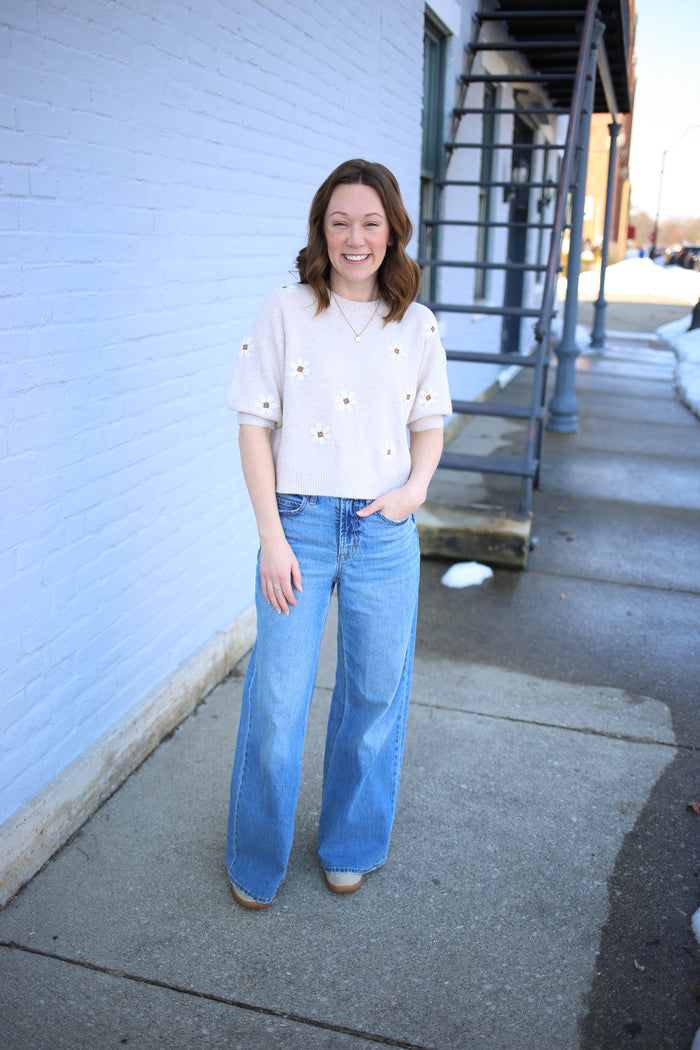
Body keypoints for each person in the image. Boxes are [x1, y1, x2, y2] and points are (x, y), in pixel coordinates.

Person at [225, 158, 451, 908]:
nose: (355, 237)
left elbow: (429, 422)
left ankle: (351, 842)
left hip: (383, 531)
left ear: (393, 232)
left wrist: (411, 494)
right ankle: (257, 856)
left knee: (375, 693)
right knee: (278, 699)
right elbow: (255, 425)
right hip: (299, 526)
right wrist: (271, 537)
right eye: (340, 221)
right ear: (322, 229)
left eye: (371, 223)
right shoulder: (286, 310)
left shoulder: (415, 323)